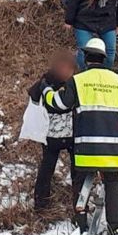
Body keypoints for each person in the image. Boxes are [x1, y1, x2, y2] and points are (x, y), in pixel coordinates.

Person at [41, 38, 118, 235]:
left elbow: (59, 104)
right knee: (111, 184)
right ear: (104, 58)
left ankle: (80, 222)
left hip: (85, 147)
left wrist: (46, 90)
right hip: (111, 149)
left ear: (86, 57)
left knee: (80, 181)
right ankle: (114, 227)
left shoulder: (78, 80)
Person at [27, 51, 76, 211]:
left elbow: (33, 94)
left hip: (67, 133)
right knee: (47, 168)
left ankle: (77, 203)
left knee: (73, 169)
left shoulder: (47, 81)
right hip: (55, 134)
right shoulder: (54, 81)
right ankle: (41, 204)